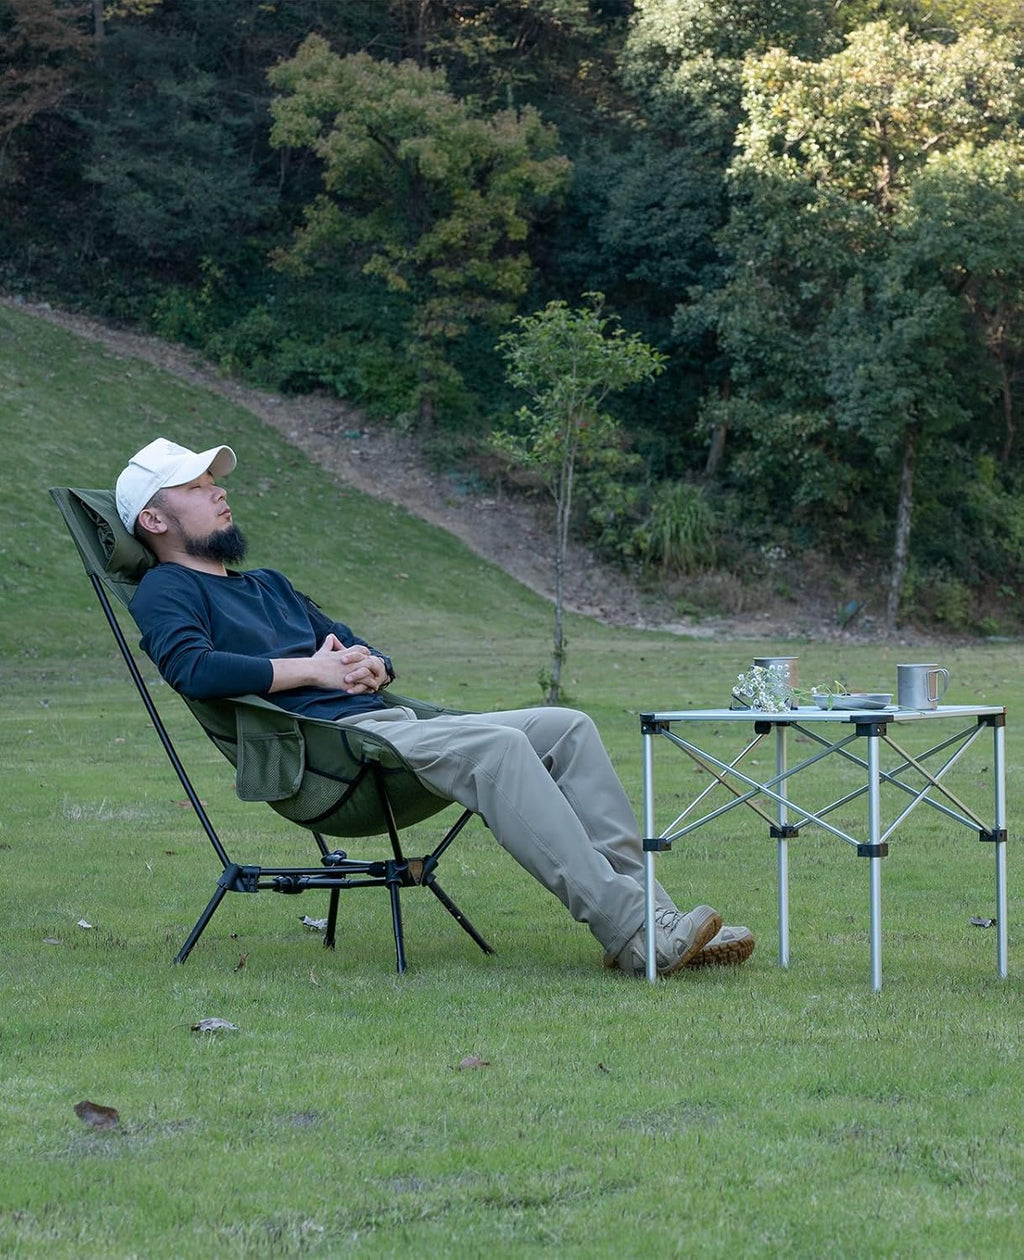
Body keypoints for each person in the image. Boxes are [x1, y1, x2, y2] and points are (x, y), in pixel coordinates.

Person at [116, 437, 755, 977]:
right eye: (198, 487)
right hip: (329, 759)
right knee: (502, 748)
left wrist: (373, 664)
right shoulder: (165, 589)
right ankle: (635, 932)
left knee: (567, 727)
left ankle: (658, 919)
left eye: (213, 482)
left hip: (387, 729)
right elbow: (193, 670)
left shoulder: (267, 584)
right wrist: (315, 669)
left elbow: (359, 644)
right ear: (154, 520)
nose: (219, 491)